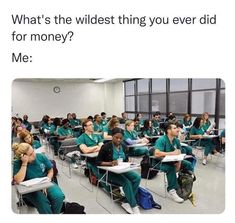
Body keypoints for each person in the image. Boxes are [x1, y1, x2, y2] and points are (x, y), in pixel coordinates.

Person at [96, 128, 141, 214]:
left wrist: (129, 163)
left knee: (137, 178)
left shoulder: (124, 146)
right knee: (126, 182)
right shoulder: (105, 147)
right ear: (112, 136)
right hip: (109, 172)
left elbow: (126, 160)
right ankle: (134, 206)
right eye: (116, 137)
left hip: (122, 170)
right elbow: (98, 162)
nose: (119, 140)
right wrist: (110, 163)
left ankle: (126, 202)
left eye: (121, 138)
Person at [12, 143, 65, 214]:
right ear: (23, 157)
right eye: (30, 154)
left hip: (45, 183)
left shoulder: (41, 157)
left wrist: (46, 182)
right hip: (30, 189)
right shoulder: (17, 163)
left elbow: (50, 171)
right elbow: (18, 180)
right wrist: (24, 163)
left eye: (33, 151)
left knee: (58, 196)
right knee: (43, 204)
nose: (34, 154)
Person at [154, 122, 194, 203]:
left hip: (173, 161)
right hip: (160, 163)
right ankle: (172, 190)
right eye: (175, 128)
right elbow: (157, 153)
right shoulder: (161, 140)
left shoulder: (176, 140)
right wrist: (171, 153)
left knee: (188, 164)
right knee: (170, 168)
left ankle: (184, 183)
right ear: (168, 130)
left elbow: (179, 151)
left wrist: (179, 162)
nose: (177, 130)